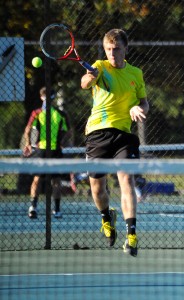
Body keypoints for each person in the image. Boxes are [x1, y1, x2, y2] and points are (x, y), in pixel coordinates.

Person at [81, 29, 149, 257]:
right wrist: (89, 78)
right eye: (108, 49)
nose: (111, 53)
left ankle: (132, 236)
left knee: (126, 180)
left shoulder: (136, 73)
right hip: (97, 134)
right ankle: (106, 216)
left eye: (116, 48)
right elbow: (85, 83)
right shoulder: (99, 66)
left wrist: (139, 107)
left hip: (123, 136)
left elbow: (144, 103)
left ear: (126, 49)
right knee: (97, 189)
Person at [23, 86, 69, 219]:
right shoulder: (59, 113)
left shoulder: (38, 113)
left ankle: (34, 207)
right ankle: (56, 209)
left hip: (42, 150)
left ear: (41, 97)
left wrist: (28, 144)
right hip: (51, 150)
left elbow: (27, 130)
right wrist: (62, 142)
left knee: (38, 179)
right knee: (55, 181)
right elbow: (68, 131)